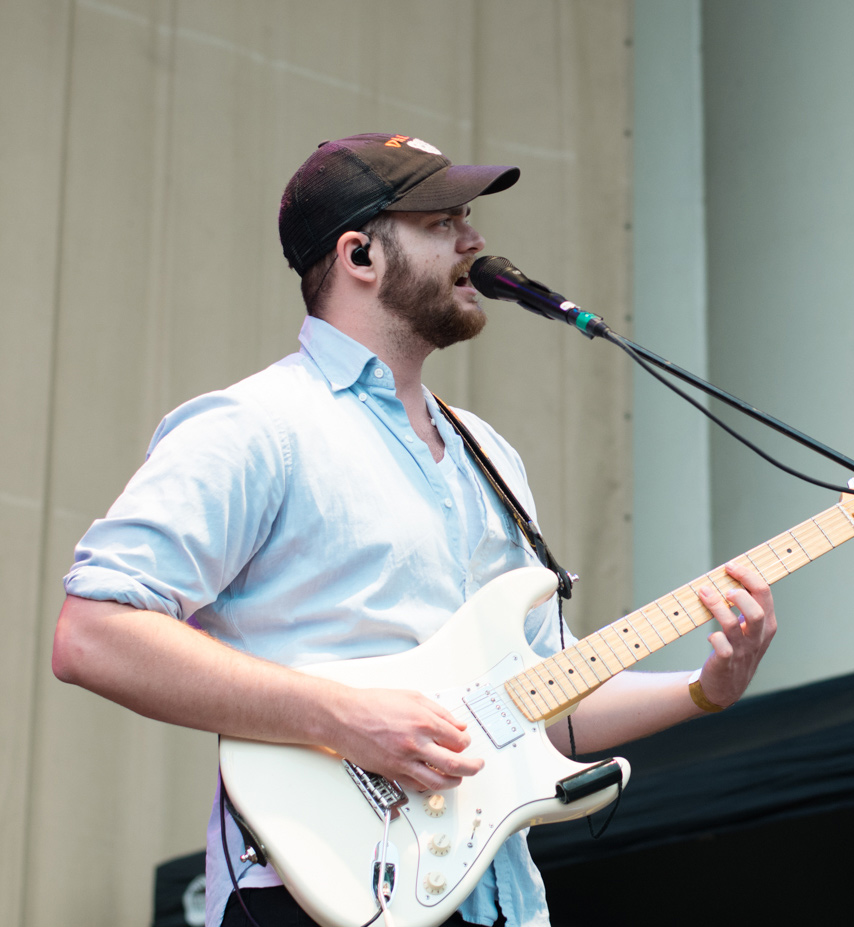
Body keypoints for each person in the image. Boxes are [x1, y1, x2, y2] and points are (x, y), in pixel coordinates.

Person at [52, 133, 777, 927]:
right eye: (443, 223)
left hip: (493, 898)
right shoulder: (257, 426)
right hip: (316, 895)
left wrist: (703, 690)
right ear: (360, 255)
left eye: (469, 218)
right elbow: (93, 633)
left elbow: (543, 704)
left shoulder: (488, 454)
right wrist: (343, 717)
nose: (475, 240)